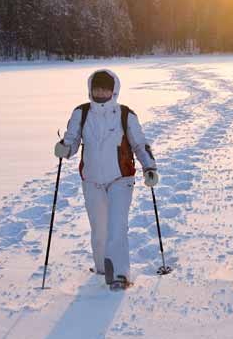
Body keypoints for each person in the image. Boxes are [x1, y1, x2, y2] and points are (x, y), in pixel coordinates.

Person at [55, 69, 158, 290]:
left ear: (114, 90)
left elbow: (140, 144)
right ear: (90, 89)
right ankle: (103, 268)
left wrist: (149, 167)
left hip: (120, 178)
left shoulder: (125, 114)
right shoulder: (81, 113)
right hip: (92, 179)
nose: (101, 91)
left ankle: (120, 274)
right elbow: (72, 142)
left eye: (105, 87)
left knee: (117, 226)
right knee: (99, 228)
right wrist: (65, 148)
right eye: (97, 87)